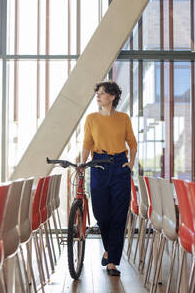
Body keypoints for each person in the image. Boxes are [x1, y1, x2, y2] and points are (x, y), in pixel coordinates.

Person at [80, 81, 137, 277]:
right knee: (102, 214)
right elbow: (87, 142)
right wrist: (81, 163)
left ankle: (112, 261)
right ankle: (109, 250)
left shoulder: (123, 118)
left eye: (102, 93)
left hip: (120, 166)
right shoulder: (91, 119)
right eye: (97, 93)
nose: (98, 96)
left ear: (112, 97)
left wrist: (130, 164)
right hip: (98, 166)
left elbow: (132, 143)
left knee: (119, 215)